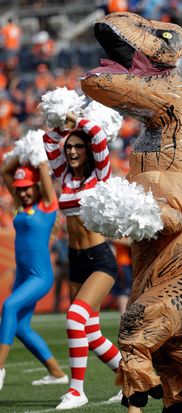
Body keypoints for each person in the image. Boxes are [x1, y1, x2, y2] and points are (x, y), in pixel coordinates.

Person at [43, 112, 122, 410]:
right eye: (69, 147)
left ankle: (76, 391)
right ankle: (130, 376)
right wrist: (57, 122)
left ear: (88, 150)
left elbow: (99, 137)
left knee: (75, 317)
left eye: (78, 146)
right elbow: (49, 141)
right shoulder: (64, 175)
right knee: (90, 332)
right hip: (75, 259)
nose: (72, 151)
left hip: (99, 259)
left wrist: (75, 118)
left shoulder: (99, 175)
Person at [0, 158, 68, 391]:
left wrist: (35, 156)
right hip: (22, 276)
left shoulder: (47, 205)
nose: (24, 192)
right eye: (21, 189)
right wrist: (20, 155)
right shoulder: (21, 206)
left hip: (39, 277)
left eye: (28, 187)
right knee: (20, 327)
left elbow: (41, 166)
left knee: (8, 308)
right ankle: (57, 373)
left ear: (37, 186)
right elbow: (5, 172)